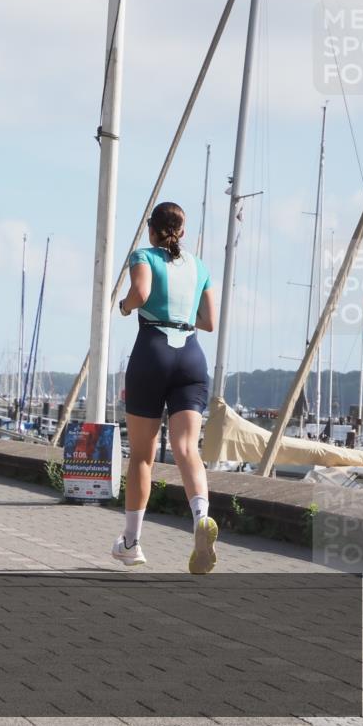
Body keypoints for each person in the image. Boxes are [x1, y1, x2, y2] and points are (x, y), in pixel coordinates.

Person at [113, 201, 218, 574]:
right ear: (182, 232)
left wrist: (125, 307)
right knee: (187, 448)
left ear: (151, 230)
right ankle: (202, 518)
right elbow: (209, 321)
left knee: (142, 454)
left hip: (153, 351)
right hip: (191, 356)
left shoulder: (143, 255)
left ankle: (131, 542)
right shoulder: (199, 266)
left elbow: (139, 294)